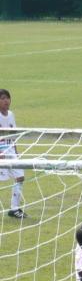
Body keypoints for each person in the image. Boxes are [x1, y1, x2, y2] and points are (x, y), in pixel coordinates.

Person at [0, 88, 26, 218]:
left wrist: (16, 151)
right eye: (2, 98)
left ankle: (14, 208)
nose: (6, 101)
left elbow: (13, 134)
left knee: (20, 176)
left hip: (11, 151)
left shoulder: (11, 114)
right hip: (1, 152)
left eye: (7, 98)